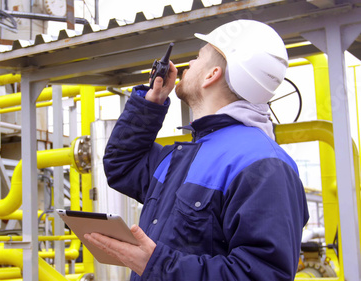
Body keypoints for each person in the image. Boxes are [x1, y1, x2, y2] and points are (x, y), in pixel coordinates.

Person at [84, 19, 309, 280]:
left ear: (212, 74)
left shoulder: (264, 165)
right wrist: (151, 103)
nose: (188, 64)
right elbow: (122, 165)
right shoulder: (187, 154)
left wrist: (157, 266)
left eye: (198, 56)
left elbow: (262, 275)